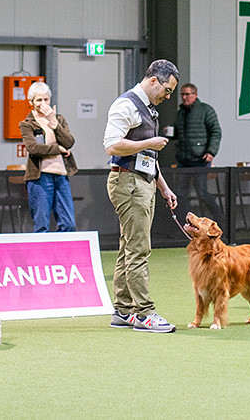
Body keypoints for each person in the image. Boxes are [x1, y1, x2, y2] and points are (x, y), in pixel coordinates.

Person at [103, 59, 180, 333]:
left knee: (128, 247)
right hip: (128, 183)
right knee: (139, 249)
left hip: (142, 182)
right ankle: (144, 313)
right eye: (167, 90)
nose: (168, 96)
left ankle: (123, 311)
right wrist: (149, 142)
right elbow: (111, 145)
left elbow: (147, 158)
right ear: (153, 81)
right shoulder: (126, 105)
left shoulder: (147, 108)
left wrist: (164, 187)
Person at [19, 81, 78, 232]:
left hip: (61, 175)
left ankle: (62, 254)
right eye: (39, 100)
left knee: (69, 223)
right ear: (31, 102)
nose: (43, 103)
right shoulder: (27, 124)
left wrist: (54, 123)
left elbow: (69, 142)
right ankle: (41, 255)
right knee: (42, 224)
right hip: (40, 177)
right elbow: (33, 148)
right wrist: (57, 148)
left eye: (46, 99)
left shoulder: (59, 119)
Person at [172, 83, 223, 225]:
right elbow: (179, 133)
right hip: (183, 160)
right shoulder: (180, 112)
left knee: (202, 193)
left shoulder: (206, 110)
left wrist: (211, 152)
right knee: (181, 195)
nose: (184, 97)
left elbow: (216, 132)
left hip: (200, 160)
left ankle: (220, 222)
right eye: (182, 94)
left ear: (195, 95)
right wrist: (170, 133)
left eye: (187, 94)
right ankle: (185, 226)